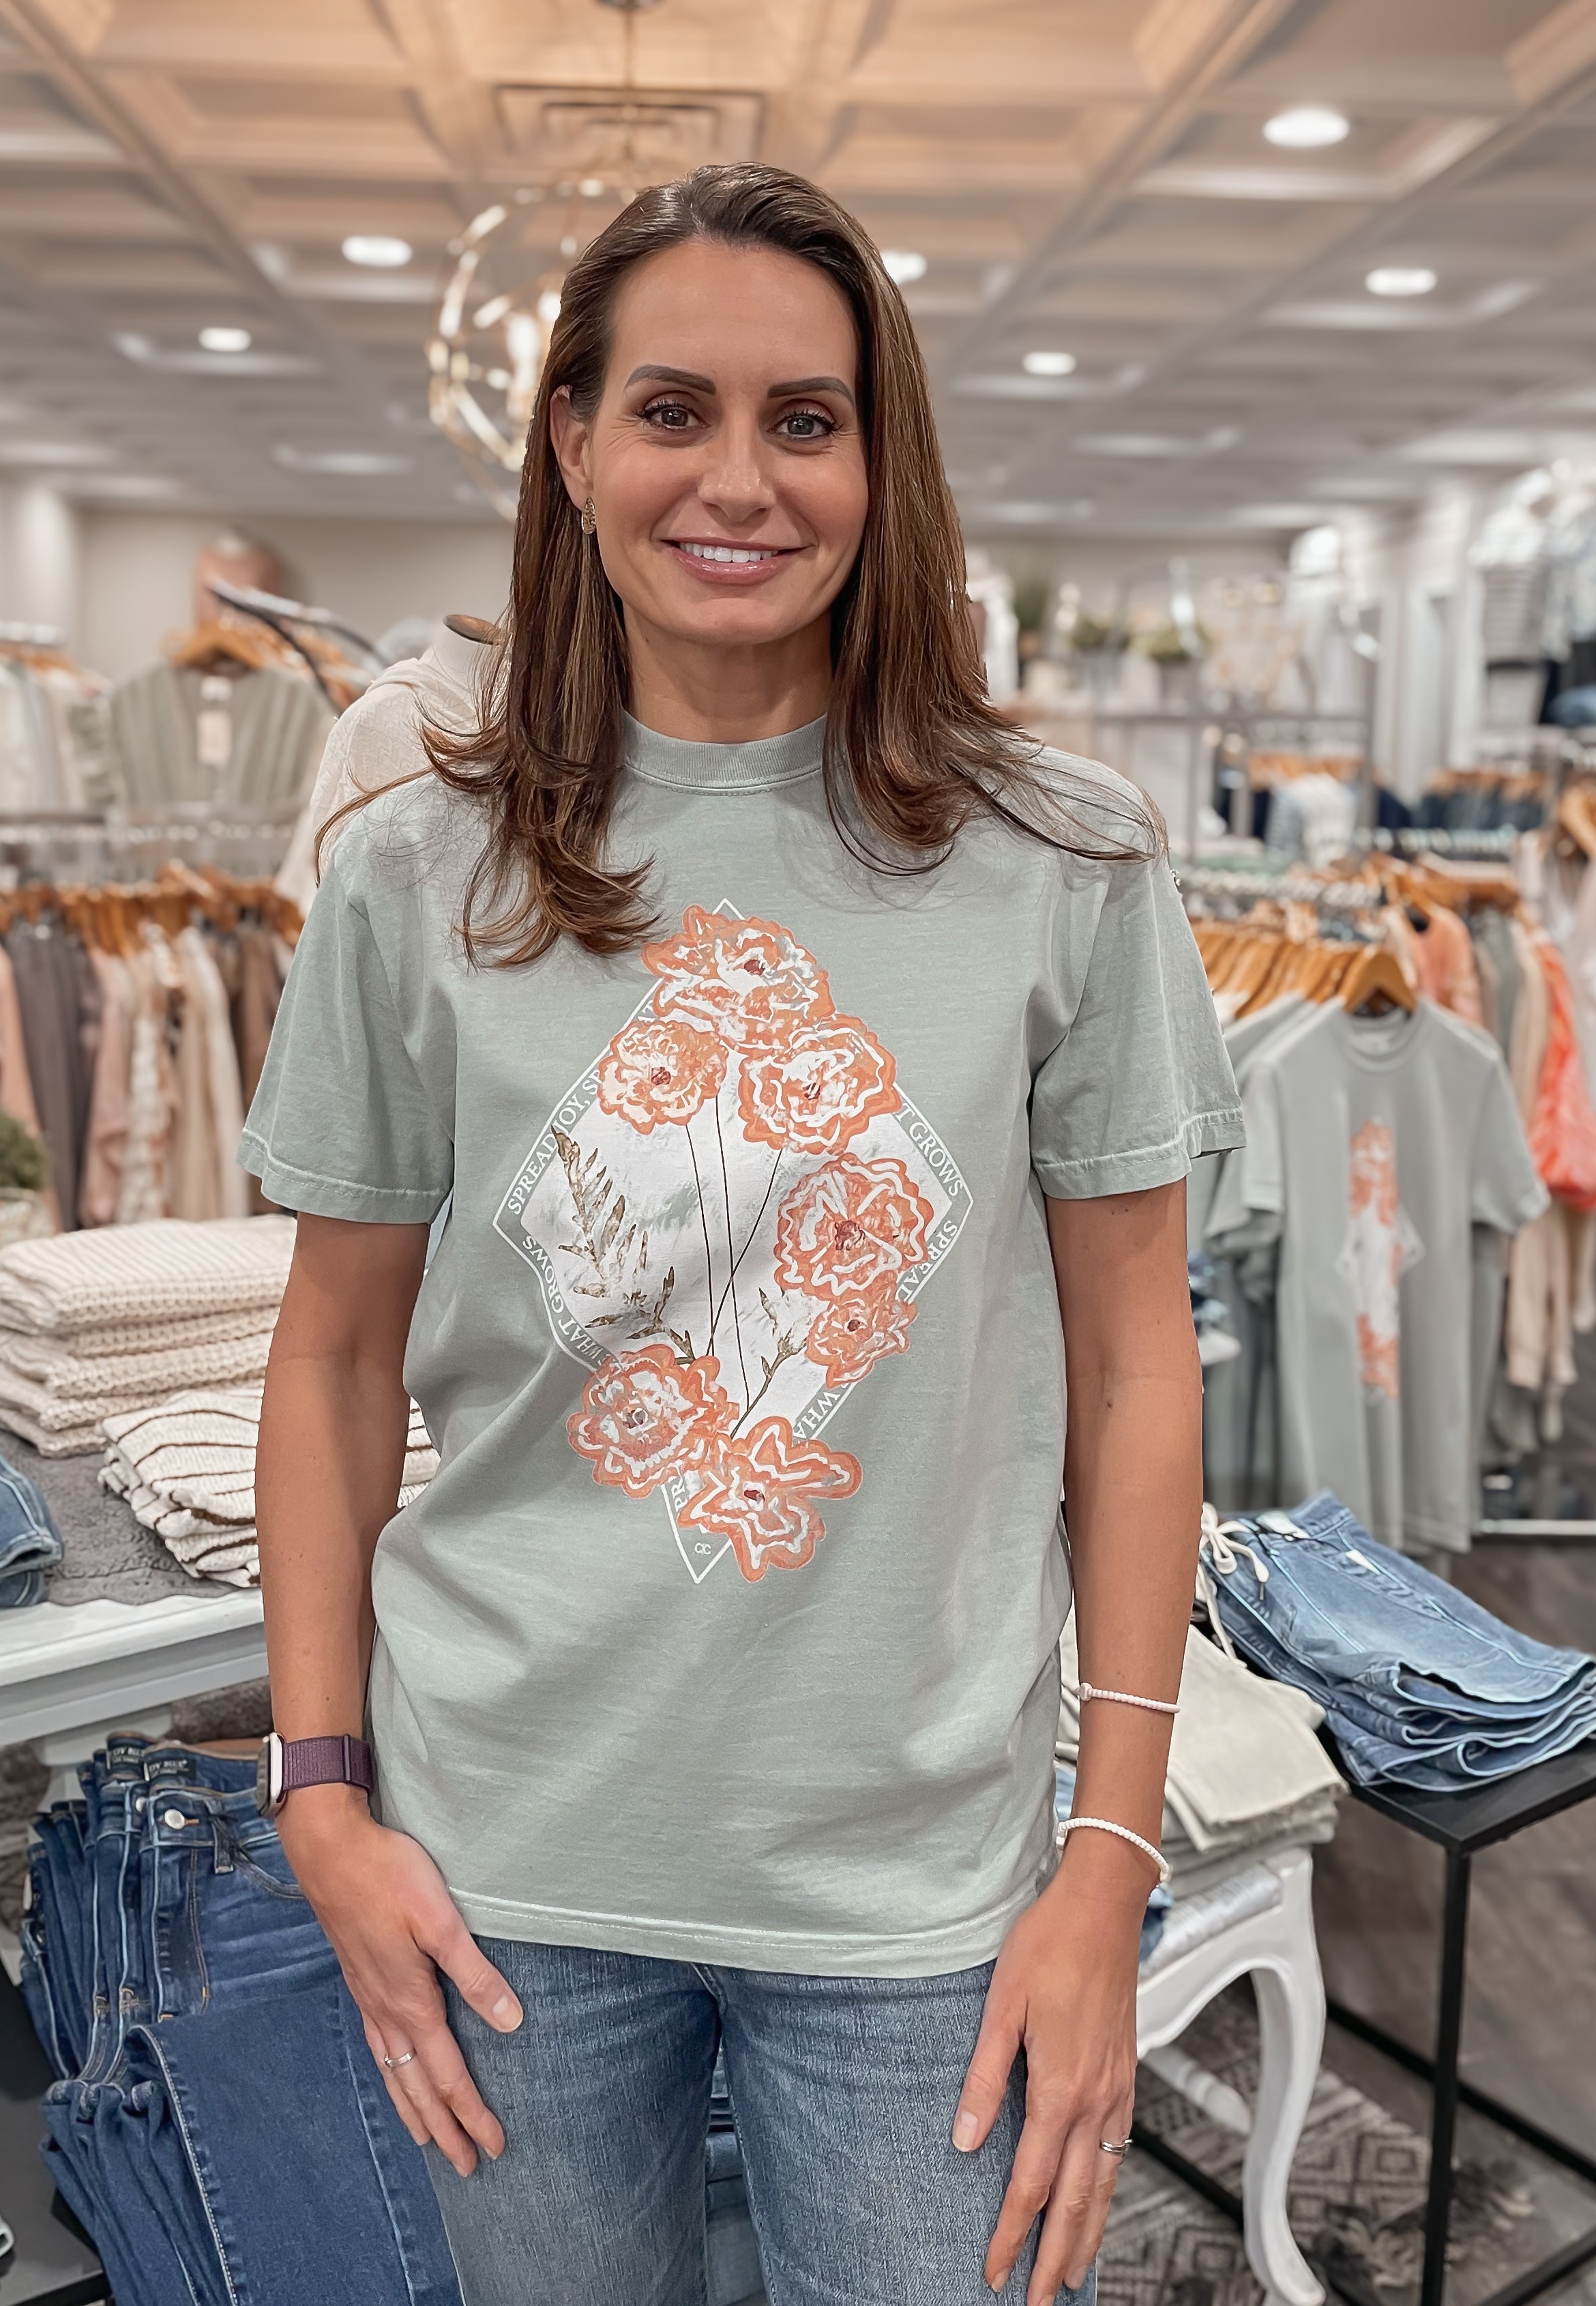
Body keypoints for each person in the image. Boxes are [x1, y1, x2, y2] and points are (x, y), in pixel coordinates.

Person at [242, 162, 1240, 2306]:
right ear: (571, 440)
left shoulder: (1065, 859)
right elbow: (327, 1354)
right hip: (503, 1866)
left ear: (884, 461)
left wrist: (1111, 1848)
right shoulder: (414, 870)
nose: (739, 479)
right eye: (672, 409)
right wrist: (317, 1789)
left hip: (920, 1887)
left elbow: (1138, 1365)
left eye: (807, 418)